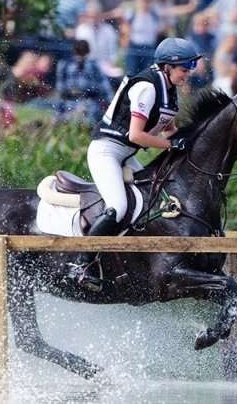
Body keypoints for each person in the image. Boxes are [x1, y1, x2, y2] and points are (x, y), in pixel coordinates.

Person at [69, 38, 199, 287]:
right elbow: (136, 135)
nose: (187, 74)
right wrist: (171, 146)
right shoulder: (147, 88)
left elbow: (168, 129)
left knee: (154, 199)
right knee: (117, 207)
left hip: (126, 155)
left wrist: (189, 144)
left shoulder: (168, 88)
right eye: (184, 69)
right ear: (168, 67)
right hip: (106, 151)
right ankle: (82, 264)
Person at [55, 40, 113, 124]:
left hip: (87, 104)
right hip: (74, 103)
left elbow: (60, 90)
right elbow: (105, 88)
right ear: (89, 51)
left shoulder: (65, 64)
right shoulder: (66, 64)